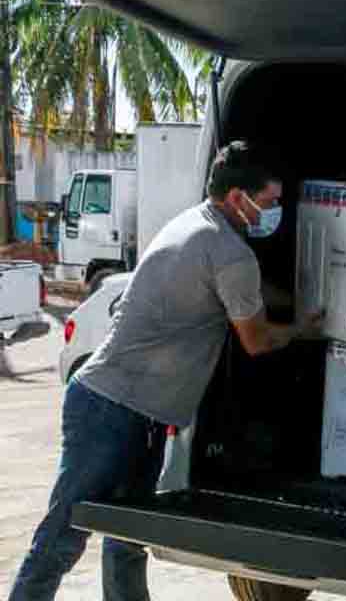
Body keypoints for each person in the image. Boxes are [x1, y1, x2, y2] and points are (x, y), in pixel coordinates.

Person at [9, 141, 311, 601]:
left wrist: (293, 295)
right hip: (112, 409)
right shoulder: (229, 251)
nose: (274, 211)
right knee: (64, 535)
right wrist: (303, 328)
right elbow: (256, 339)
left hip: (133, 411)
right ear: (237, 198)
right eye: (269, 202)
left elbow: (236, 283)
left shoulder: (195, 224)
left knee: (127, 538)